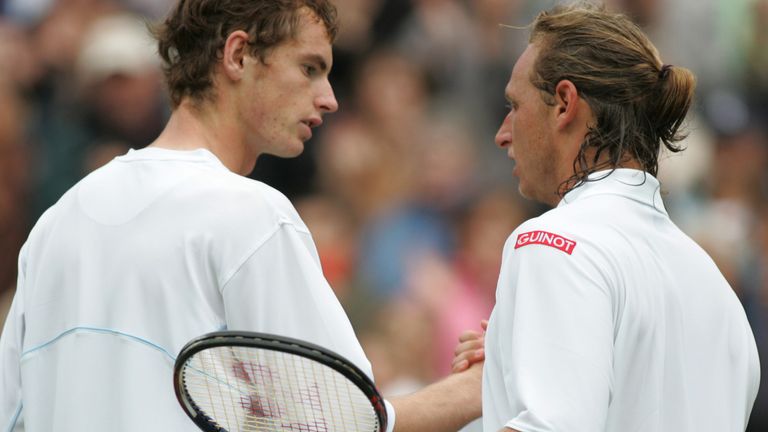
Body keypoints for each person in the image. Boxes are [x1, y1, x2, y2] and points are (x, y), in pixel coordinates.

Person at [0, 1, 482, 431]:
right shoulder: (253, 214)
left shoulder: (56, 222)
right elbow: (349, 423)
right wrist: (473, 389)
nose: (329, 98)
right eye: (309, 68)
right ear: (238, 56)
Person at [452, 2, 760, 431]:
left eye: (515, 105)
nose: (503, 132)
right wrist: (511, 367)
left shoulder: (551, 242)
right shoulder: (718, 290)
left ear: (564, 103)